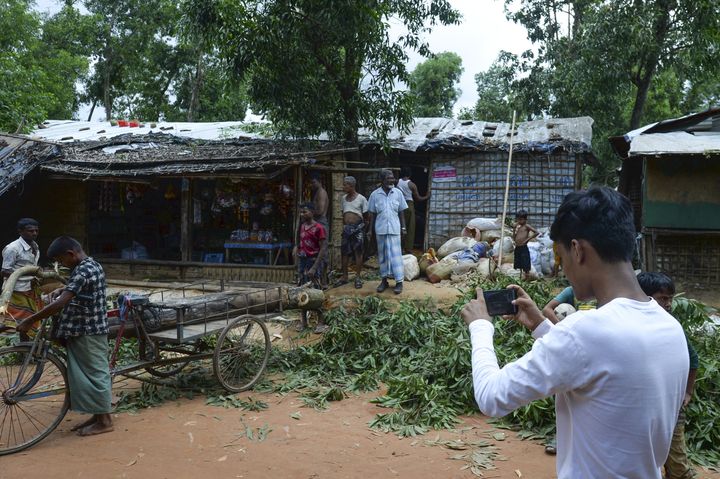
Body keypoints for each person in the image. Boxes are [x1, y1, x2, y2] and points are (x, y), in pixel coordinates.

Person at [461, 186, 688, 478]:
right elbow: (599, 369)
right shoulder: (670, 327)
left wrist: (480, 326)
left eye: (561, 257)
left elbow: (492, 397)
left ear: (578, 250)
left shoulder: (586, 330)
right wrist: (538, 325)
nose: (563, 268)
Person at [16, 236, 113, 437]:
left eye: (61, 260)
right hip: (81, 329)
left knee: (95, 374)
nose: (61, 265)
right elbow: (78, 289)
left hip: (88, 331)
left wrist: (29, 320)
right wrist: (62, 289)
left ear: (71, 254)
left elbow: (61, 303)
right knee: (85, 375)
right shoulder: (88, 265)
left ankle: (105, 421)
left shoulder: (84, 270)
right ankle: (97, 416)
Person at [637, 272, 699, 479]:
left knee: (677, 460)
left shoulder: (672, 327)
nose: (669, 304)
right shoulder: (632, 327)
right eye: (663, 298)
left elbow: (694, 360)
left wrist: (688, 392)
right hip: (642, 407)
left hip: (671, 407)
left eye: (670, 298)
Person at [1, 218, 43, 338]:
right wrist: (27, 273)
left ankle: (24, 347)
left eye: (36, 231)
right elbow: (5, 271)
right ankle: (10, 346)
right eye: (30, 231)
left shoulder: (35, 246)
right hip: (17, 290)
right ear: (20, 231)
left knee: (29, 320)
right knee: (13, 322)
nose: (34, 233)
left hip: (31, 288)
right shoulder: (12, 248)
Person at [368, 170, 408, 295]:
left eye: (392, 178)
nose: (392, 180)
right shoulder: (375, 195)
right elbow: (372, 214)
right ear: (382, 180)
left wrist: (403, 228)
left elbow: (401, 212)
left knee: (396, 257)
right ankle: (384, 281)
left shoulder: (398, 193)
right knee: (383, 257)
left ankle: (399, 282)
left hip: (395, 229)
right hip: (380, 230)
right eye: (389, 178)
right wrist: (369, 230)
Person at [292, 203, 328, 333]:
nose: (302, 214)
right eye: (301, 212)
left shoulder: (319, 228)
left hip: (313, 262)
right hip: (303, 262)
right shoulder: (302, 226)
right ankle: (304, 322)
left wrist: (314, 267)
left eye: (305, 212)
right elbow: (299, 244)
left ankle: (321, 322)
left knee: (316, 292)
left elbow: (323, 248)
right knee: (302, 292)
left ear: (312, 212)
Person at [338, 176, 368, 289]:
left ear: (352, 186)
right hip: (346, 229)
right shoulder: (343, 198)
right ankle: (345, 277)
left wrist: (362, 228)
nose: (343, 186)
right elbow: (343, 214)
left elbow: (366, 216)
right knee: (344, 252)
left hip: (358, 229)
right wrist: (345, 226)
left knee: (358, 252)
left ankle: (358, 277)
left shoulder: (361, 199)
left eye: (345, 184)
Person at [397, 167, 430, 254]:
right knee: (410, 227)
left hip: (399, 205)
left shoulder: (397, 182)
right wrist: (427, 196)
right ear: (410, 174)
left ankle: (399, 247)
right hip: (409, 205)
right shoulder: (411, 185)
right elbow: (418, 198)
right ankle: (408, 248)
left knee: (400, 226)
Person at [512, 210, 538, 279]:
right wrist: (514, 229)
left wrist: (527, 240)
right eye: (518, 219)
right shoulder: (519, 227)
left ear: (525, 219)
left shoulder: (526, 226)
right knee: (519, 263)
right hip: (518, 247)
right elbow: (514, 238)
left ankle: (527, 277)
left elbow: (536, 232)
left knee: (525, 263)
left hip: (523, 247)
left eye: (521, 219)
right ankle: (521, 277)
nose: (519, 221)